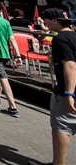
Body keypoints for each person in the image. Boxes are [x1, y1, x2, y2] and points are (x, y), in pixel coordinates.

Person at [41, 8, 76, 165]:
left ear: (55, 21)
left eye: (46, 20)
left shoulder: (60, 39)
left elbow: (69, 66)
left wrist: (69, 94)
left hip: (68, 91)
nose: (43, 23)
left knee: (62, 127)